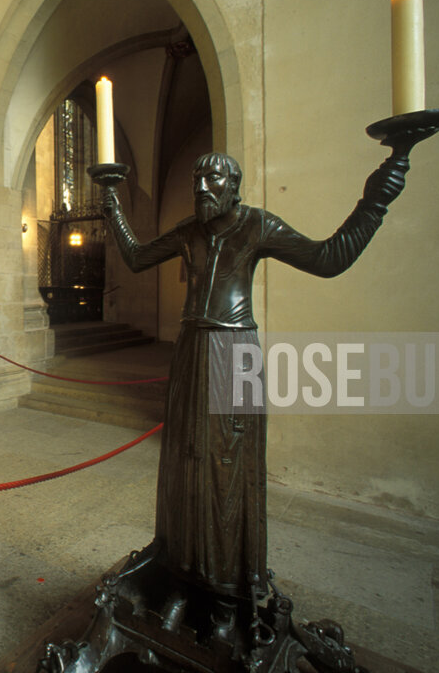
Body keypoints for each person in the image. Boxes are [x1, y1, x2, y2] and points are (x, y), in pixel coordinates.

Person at [103, 151, 406, 646]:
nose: (202, 185)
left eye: (213, 177)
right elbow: (137, 257)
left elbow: (328, 258)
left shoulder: (257, 226)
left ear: (234, 184)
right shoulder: (190, 232)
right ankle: (181, 576)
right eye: (197, 177)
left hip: (235, 350)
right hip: (191, 350)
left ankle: (226, 595)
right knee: (184, 465)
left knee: (228, 471)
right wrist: (112, 199)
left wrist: (375, 202)